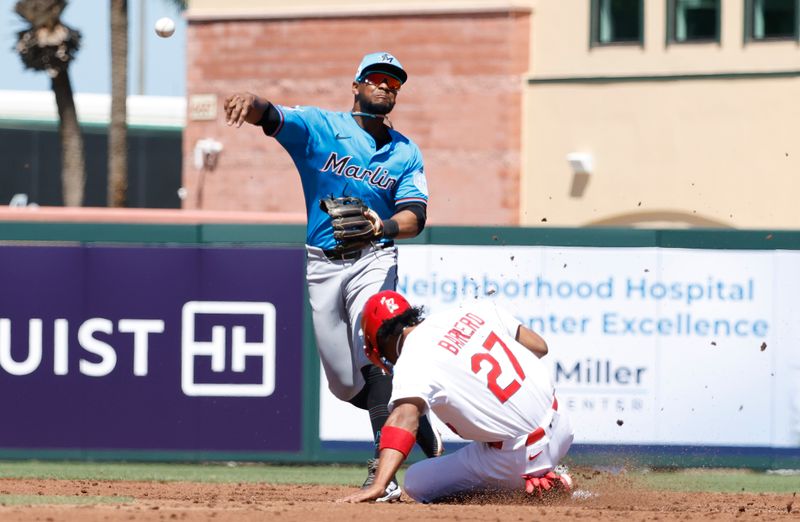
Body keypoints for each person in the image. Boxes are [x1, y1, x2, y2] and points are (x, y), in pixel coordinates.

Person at [223, 52, 441, 501]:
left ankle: (383, 474)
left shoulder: (404, 151)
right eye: (377, 79)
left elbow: (416, 216)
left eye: (394, 83)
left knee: (378, 344)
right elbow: (274, 116)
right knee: (344, 385)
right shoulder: (321, 126)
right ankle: (410, 414)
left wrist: (383, 226)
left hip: (374, 256)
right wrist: (253, 100)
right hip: (322, 263)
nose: (386, 87)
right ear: (357, 85)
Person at [341, 290, 575, 504]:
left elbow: (404, 417)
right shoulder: (472, 311)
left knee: (416, 481)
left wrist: (379, 485)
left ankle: (524, 491)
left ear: (381, 341)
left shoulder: (413, 358)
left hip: (518, 459)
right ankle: (544, 471)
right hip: (562, 424)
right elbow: (539, 347)